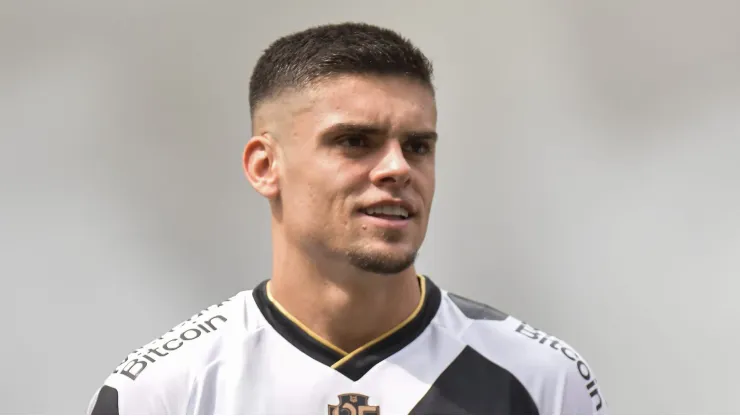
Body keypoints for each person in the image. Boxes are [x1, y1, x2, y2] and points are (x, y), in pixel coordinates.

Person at [87, 22, 607, 415]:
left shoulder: (542, 381)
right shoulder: (161, 394)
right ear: (265, 166)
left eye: (418, 145)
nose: (398, 168)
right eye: (354, 141)